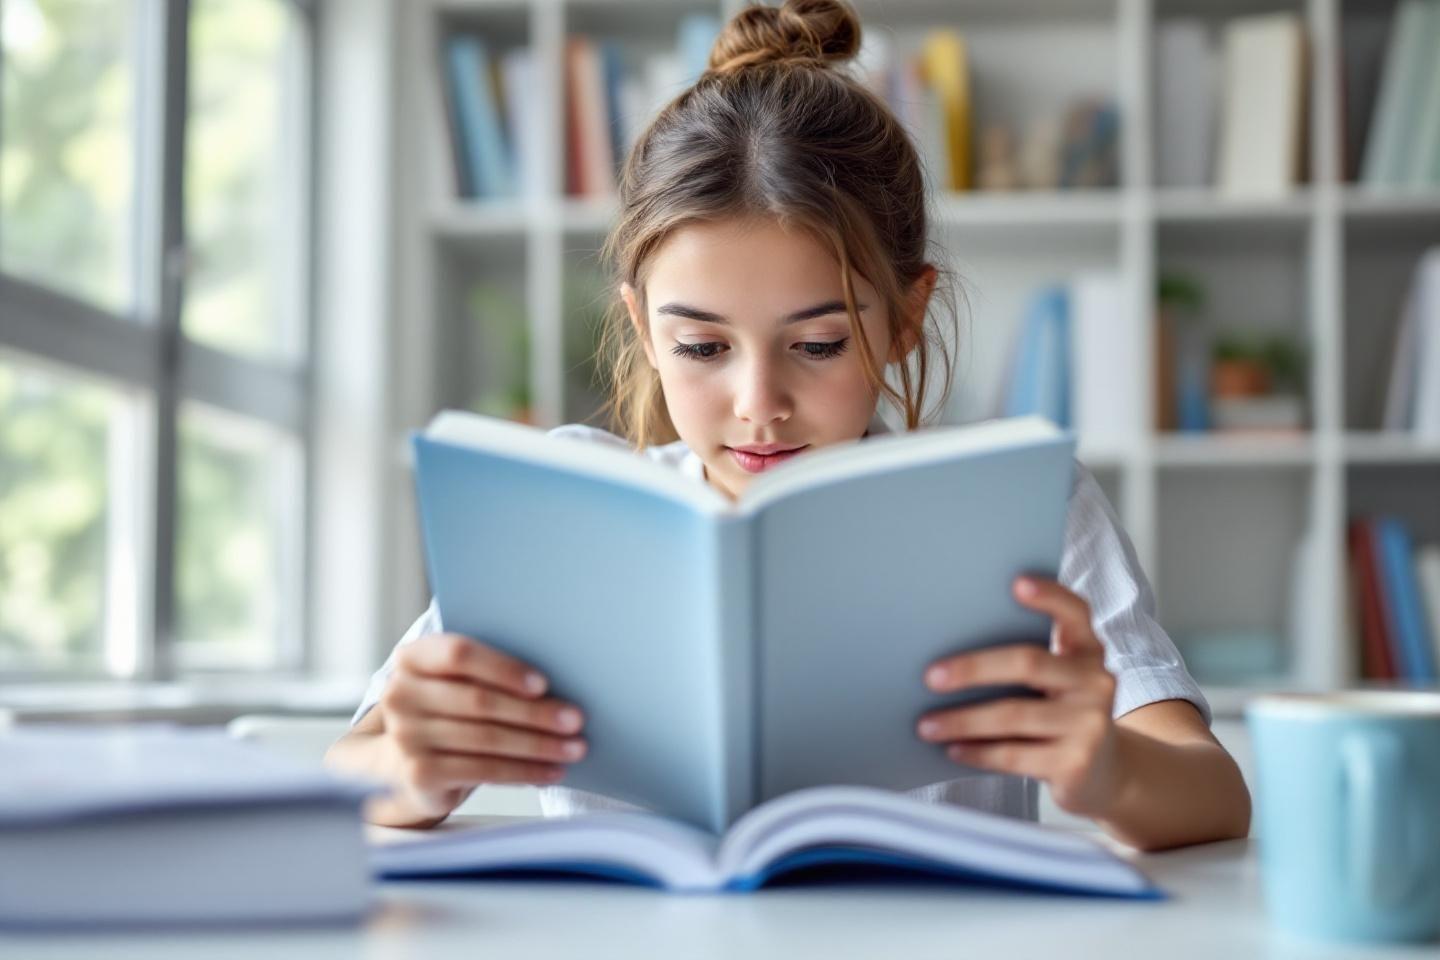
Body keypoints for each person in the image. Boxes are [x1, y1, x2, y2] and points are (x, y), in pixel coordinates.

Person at [324, 0, 1250, 851]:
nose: (758, 402)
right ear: (644, 327)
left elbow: (1215, 793)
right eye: (701, 347)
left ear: (905, 318)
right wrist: (411, 770)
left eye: (816, 345)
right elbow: (349, 776)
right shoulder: (562, 508)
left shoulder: (1025, 507)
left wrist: (1108, 771)